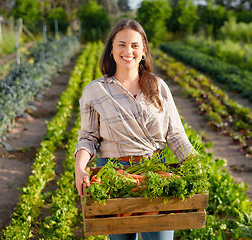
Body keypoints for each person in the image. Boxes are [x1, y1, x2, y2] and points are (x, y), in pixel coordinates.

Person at [74, 18, 196, 240]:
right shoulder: (96, 91)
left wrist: (195, 163)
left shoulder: (158, 87)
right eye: (121, 44)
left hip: (155, 174)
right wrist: (80, 167)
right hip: (113, 175)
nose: (127, 50)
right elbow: (88, 137)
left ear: (143, 51)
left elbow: (175, 134)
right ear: (111, 49)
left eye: (134, 45)